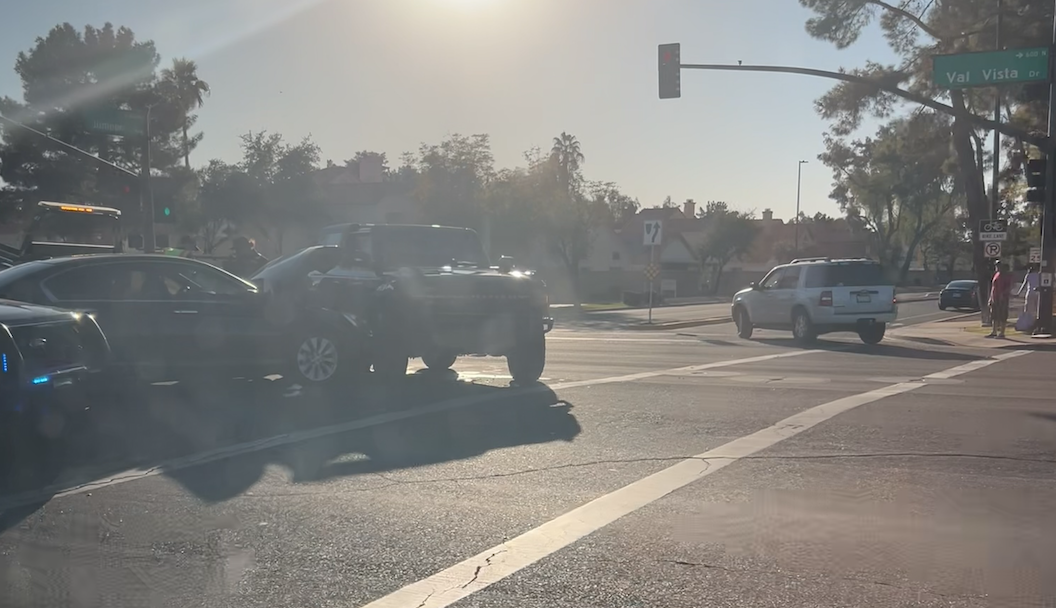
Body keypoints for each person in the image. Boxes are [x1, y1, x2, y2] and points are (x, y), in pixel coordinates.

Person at [987, 261, 1013, 339]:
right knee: (994, 315)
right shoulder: (996, 275)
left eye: (998, 266)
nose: (997, 267)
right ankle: (994, 332)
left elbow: (1010, 286)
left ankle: (1002, 333)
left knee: (1002, 315)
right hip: (995, 297)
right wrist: (990, 298)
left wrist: (1003, 294)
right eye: (996, 265)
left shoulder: (1006, 276)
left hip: (1003, 298)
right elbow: (993, 287)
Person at [1016, 263, 1040, 332]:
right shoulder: (1040, 275)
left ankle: (1028, 323)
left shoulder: (1028, 275)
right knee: (1037, 309)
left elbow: (1024, 285)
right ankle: (1034, 323)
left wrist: (1019, 293)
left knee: (1028, 310)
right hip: (1038, 293)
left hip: (1030, 293)